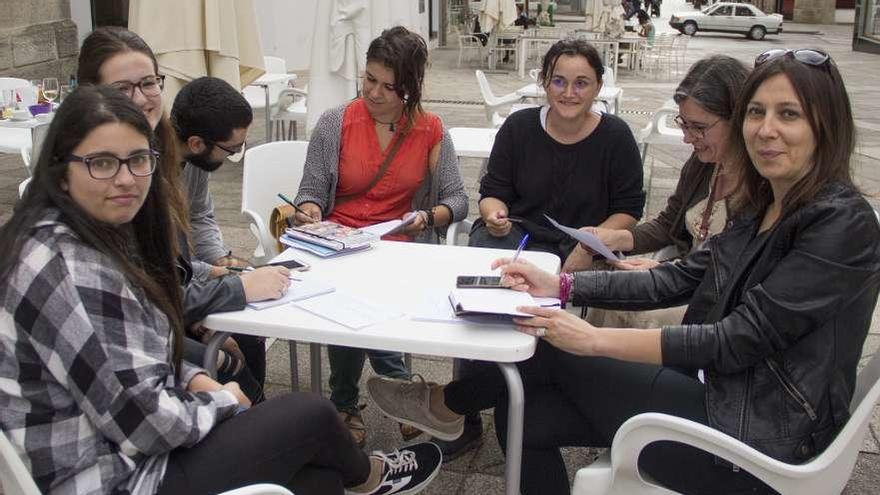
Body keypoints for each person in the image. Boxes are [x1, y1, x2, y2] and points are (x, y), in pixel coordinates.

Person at [366, 49, 880, 494]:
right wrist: (562, 283)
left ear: (825, 124)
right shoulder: (770, 202)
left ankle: (448, 406)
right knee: (528, 417)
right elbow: (678, 277)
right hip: (720, 394)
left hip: (758, 443)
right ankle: (450, 407)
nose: (766, 130)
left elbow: (736, 339)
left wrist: (592, 340)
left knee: (541, 350)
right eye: (757, 112)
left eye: (787, 114)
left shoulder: (841, 222)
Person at [0, 85, 443, 495]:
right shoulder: (68, 265)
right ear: (61, 171)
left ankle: (358, 478)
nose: (126, 179)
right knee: (313, 415)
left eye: (138, 160)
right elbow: (144, 424)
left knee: (320, 479)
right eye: (101, 163)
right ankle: (371, 478)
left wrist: (189, 374)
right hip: (112, 474)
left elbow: (127, 357)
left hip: (119, 446)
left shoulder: (84, 235)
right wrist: (219, 402)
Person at [440, 38, 645, 460]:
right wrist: (495, 213)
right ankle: (468, 416)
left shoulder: (616, 137)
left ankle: (469, 402)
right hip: (518, 239)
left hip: (583, 245)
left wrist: (590, 244)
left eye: (581, 83)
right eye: (559, 81)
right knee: (481, 307)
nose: (569, 93)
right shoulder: (519, 128)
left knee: (532, 317)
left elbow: (628, 212)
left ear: (598, 86)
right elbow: (492, 192)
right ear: (543, 83)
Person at [77, 26, 285, 403]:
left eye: (149, 82)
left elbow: (175, 257)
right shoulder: (101, 183)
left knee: (249, 353)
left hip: (161, 313)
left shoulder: (161, 156)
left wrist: (215, 269)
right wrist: (222, 294)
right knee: (239, 367)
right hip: (133, 341)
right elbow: (134, 300)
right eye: (123, 89)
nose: (140, 98)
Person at [294, 26, 469, 448]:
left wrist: (426, 218)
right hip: (339, 241)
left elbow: (458, 200)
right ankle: (400, 387)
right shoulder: (335, 122)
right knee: (346, 291)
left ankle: (344, 402)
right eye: (369, 79)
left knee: (361, 299)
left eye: (388, 86)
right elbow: (311, 192)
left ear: (410, 88)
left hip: (399, 245)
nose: (373, 92)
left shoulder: (431, 130)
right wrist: (311, 211)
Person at [565, 55, 750, 328]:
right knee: (605, 279)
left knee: (625, 305)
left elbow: (736, 270)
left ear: (739, 119)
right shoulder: (704, 165)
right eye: (683, 123)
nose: (687, 138)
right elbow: (668, 224)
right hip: (684, 278)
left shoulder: (762, 186)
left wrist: (667, 270)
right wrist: (615, 238)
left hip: (719, 305)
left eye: (698, 127)